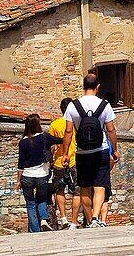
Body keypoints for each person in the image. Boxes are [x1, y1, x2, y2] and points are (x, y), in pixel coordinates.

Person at [63, 73, 119, 228]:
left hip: (82, 152)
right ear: (98, 87)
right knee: (100, 186)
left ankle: (90, 221)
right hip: (101, 149)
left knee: (85, 188)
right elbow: (111, 130)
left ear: (83, 86)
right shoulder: (105, 105)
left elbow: (68, 132)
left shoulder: (72, 106)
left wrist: (66, 154)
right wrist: (114, 150)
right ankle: (96, 217)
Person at [16, 113, 62, 233]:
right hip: (42, 175)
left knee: (30, 203)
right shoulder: (45, 137)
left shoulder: (23, 142)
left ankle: (35, 231)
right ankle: (44, 219)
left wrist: (18, 181)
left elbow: (21, 164)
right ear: (38, 124)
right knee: (42, 199)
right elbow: (61, 140)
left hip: (27, 176)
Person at [47, 98, 79, 229]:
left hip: (59, 162)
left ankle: (63, 218)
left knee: (59, 190)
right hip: (74, 160)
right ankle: (74, 221)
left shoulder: (54, 125)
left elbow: (50, 145)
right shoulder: (76, 124)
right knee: (77, 192)